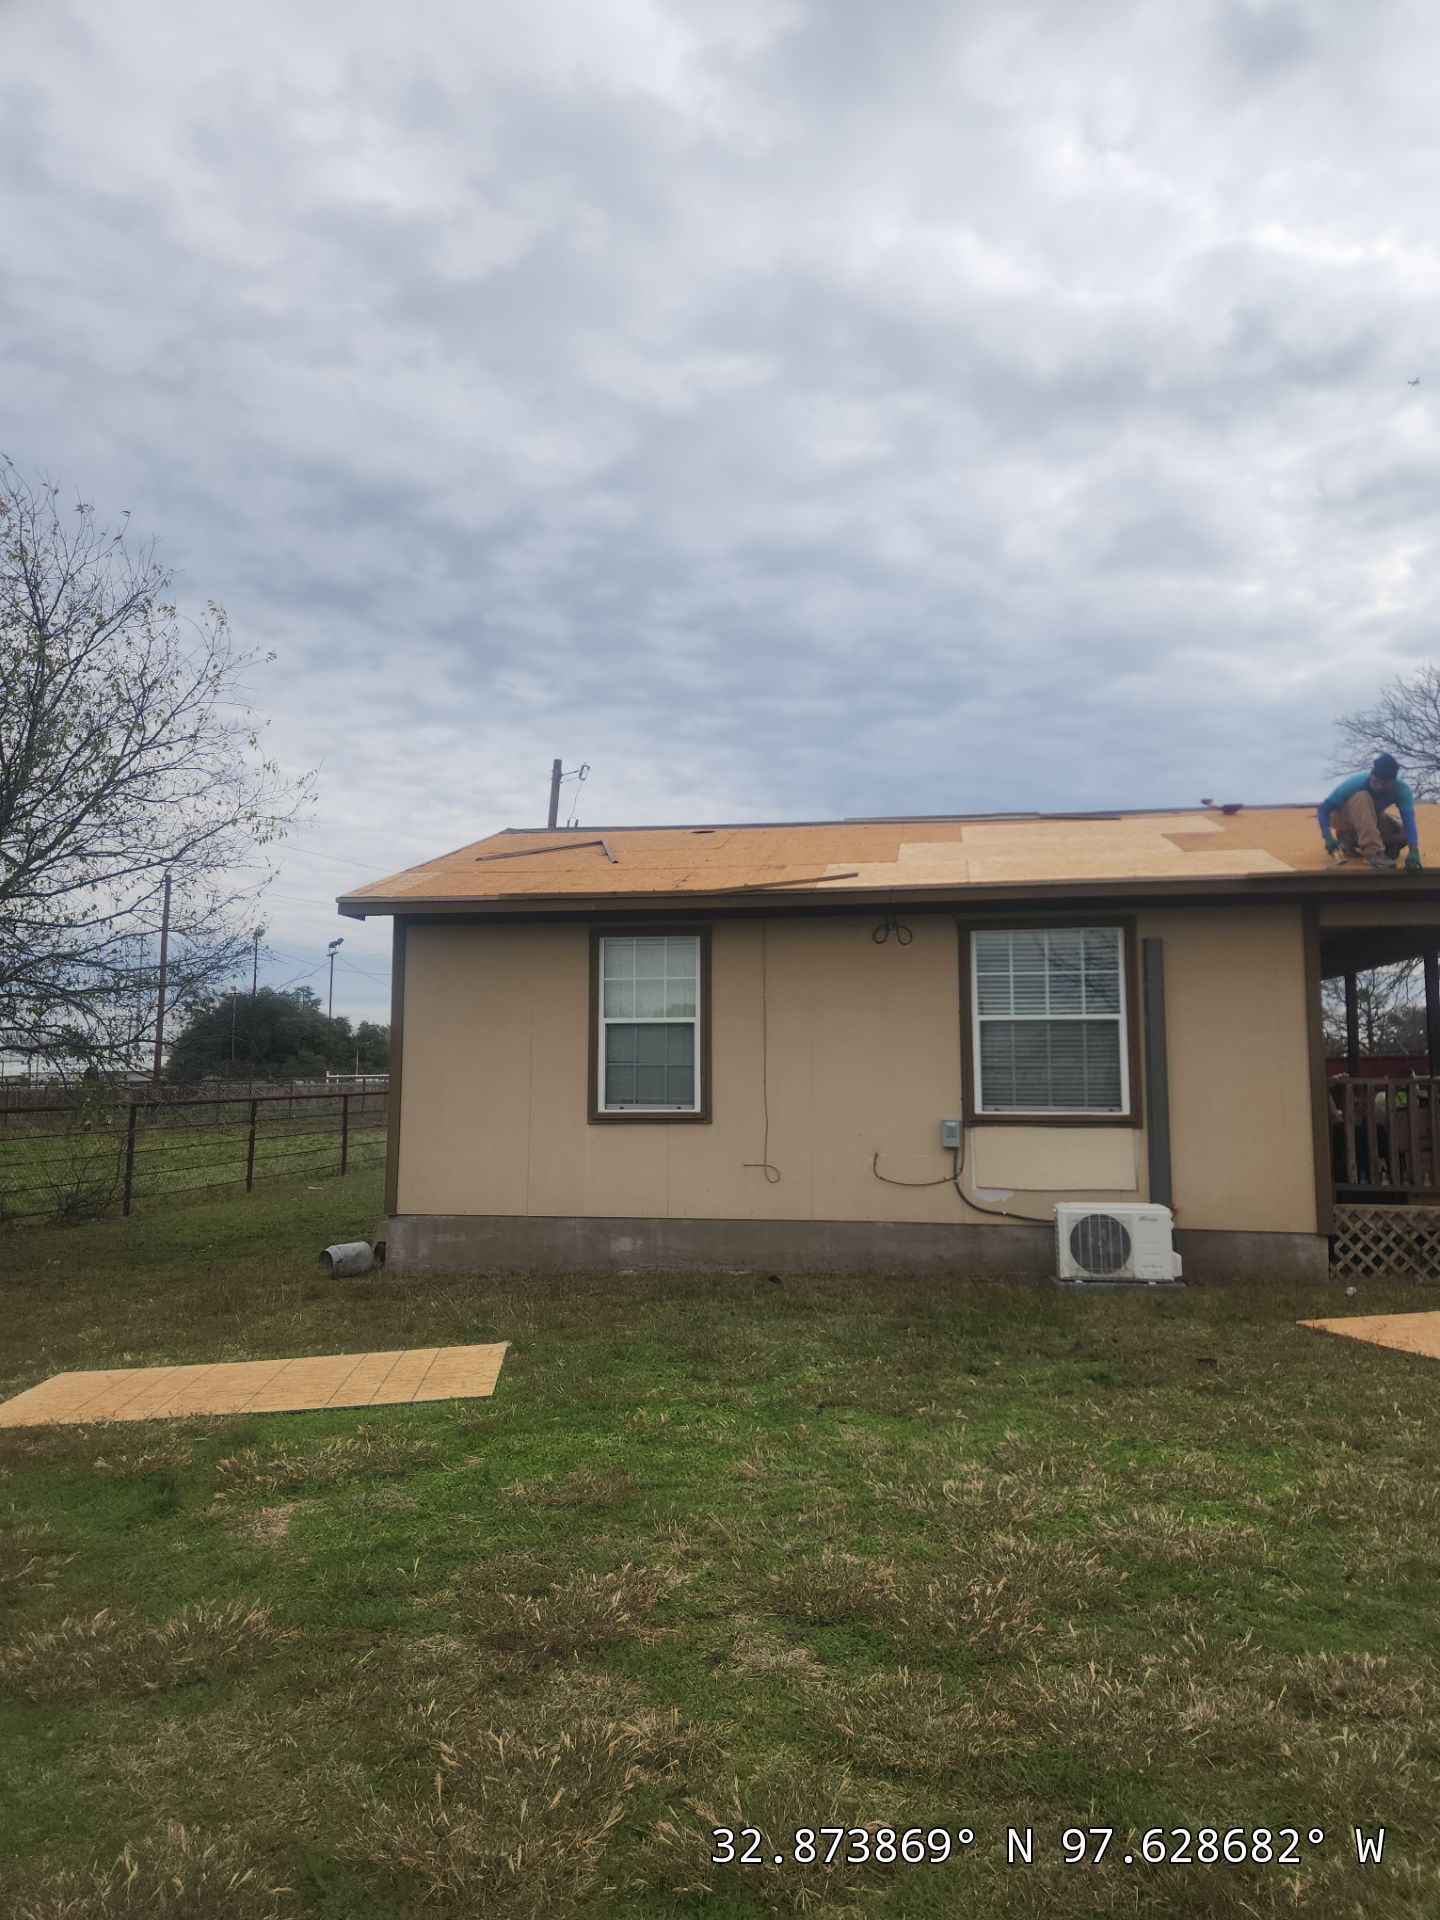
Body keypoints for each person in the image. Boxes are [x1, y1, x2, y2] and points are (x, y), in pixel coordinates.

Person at [1318, 754, 1423, 871]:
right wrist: (1327, 836)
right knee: (1363, 797)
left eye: (1384, 784)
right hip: (1341, 817)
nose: (1378, 786)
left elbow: (1409, 821)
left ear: (1393, 781)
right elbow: (1323, 809)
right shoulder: (1357, 782)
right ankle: (1373, 853)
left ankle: (1348, 839)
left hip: (1368, 819)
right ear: (1371, 775)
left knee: (1401, 834)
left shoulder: (1402, 790)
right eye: (1375, 781)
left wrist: (1413, 850)